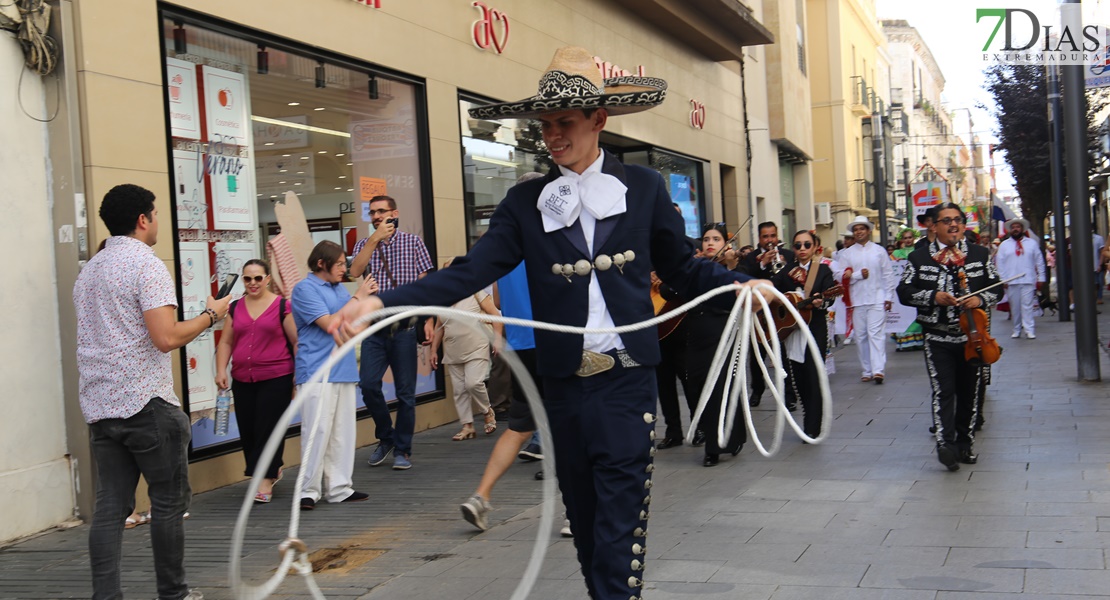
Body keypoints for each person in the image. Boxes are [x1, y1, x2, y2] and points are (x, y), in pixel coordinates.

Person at [333, 46, 768, 600]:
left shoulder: (645, 189)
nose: (553, 135)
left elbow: (680, 270)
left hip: (626, 380)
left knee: (619, 532)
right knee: (585, 529)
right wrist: (384, 302)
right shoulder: (525, 201)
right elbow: (470, 270)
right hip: (560, 385)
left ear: (598, 120)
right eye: (545, 125)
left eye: (565, 122)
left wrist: (739, 287)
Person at [75, 183, 230, 600]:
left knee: (110, 507)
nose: (157, 220)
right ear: (143, 220)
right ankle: (173, 594)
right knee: (166, 504)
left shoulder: (90, 270)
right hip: (146, 403)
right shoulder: (146, 264)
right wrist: (211, 315)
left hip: (101, 405)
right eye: (156, 213)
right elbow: (166, 337)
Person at [897, 203, 1000, 471]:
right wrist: (933, 297)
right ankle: (946, 445)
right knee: (944, 391)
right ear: (935, 226)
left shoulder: (979, 254)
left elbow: (997, 289)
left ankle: (965, 445)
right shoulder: (918, 258)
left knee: (970, 393)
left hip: (973, 338)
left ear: (964, 225)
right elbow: (904, 292)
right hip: (937, 337)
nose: (953, 225)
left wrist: (979, 298)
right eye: (946, 220)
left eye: (957, 220)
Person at [350, 194, 434, 471]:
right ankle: (386, 437)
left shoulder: (413, 242)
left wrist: (429, 319)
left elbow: (427, 286)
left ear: (394, 213)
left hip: (405, 329)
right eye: (372, 212)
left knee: (405, 393)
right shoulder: (365, 244)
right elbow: (355, 271)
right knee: (369, 385)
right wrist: (374, 239)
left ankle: (402, 449)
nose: (376, 216)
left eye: (381, 211)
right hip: (375, 328)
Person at [292, 241, 373, 510]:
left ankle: (340, 487)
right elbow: (330, 324)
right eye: (339, 263)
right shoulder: (304, 289)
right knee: (318, 430)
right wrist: (358, 297)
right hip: (316, 370)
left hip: (345, 369)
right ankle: (308, 490)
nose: (344, 268)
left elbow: (354, 324)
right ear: (320, 263)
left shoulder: (340, 290)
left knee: (343, 432)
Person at [214, 259, 297, 503]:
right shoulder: (235, 307)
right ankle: (270, 470)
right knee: (248, 430)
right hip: (242, 378)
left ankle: (264, 479)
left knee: (267, 429)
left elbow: (296, 342)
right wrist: (221, 370)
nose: (253, 283)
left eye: (258, 278)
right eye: (248, 278)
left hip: (276, 377)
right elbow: (226, 342)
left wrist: (297, 374)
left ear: (268, 279)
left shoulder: (282, 306)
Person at [671, 224, 748, 466]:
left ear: (725, 245)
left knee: (720, 387)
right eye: (706, 239)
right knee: (695, 384)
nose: (710, 243)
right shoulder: (695, 270)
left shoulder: (727, 269)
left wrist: (732, 265)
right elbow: (668, 289)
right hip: (696, 333)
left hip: (721, 330)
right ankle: (719, 435)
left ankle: (714, 448)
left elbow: (744, 287)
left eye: (716, 239)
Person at [430, 258, 503, 440]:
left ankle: (487, 411)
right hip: (453, 348)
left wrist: (498, 339)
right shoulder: (442, 297)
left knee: (473, 383)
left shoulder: (475, 290)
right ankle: (467, 426)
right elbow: (439, 326)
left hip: (476, 344)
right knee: (459, 390)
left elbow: (496, 315)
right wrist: (433, 350)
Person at [772, 230, 836, 438]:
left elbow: (831, 296)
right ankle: (808, 415)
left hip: (815, 326)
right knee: (798, 374)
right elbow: (774, 291)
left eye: (806, 245)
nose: (802, 249)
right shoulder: (786, 271)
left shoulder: (823, 271)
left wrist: (822, 301)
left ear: (815, 246)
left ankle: (812, 426)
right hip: (792, 329)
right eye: (798, 245)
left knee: (814, 373)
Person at [739, 221, 796, 407]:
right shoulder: (751, 258)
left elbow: (791, 283)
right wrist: (762, 264)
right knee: (757, 356)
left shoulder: (787, 255)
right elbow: (746, 278)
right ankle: (757, 390)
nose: (769, 240)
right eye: (765, 236)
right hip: (759, 313)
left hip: (779, 312)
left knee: (783, 355)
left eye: (772, 236)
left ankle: (789, 395)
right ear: (759, 238)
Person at [834, 215, 895, 384]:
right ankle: (867, 369)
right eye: (856, 229)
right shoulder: (847, 253)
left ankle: (878, 370)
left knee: (876, 334)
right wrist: (856, 275)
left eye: (861, 228)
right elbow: (839, 276)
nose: (859, 232)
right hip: (856, 299)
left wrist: (888, 297)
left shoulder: (879, 251)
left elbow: (888, 275)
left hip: (877, 298)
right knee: (860, 336)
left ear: (868, 230)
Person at [994, 217, 1045, 340]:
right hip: (1011, 281)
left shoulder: (1031, 243)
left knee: (1027, 306)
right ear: (1010, 230)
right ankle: (1016, 329)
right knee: (1015, 307)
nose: (1015, 229)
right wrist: (1003, 279)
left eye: (1018, 227)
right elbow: (999, 263)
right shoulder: (1004, 245)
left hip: (1028, 279)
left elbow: (1039, 261)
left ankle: (1029, 330)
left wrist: (1041, 278)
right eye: (1013, 227)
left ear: (1022, 229)